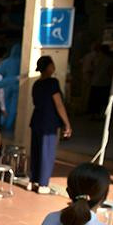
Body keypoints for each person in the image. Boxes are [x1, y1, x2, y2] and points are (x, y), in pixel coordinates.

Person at [29, 56, 73, 194]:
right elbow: (58, 104)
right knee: (47, 152)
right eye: (52, 64)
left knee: (36, 151)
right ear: (48, 67)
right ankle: (43, 184)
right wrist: (67, 123)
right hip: (48, 122)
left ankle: (33, 180)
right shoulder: (52, 83)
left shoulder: (36, 84)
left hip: (36, 120)